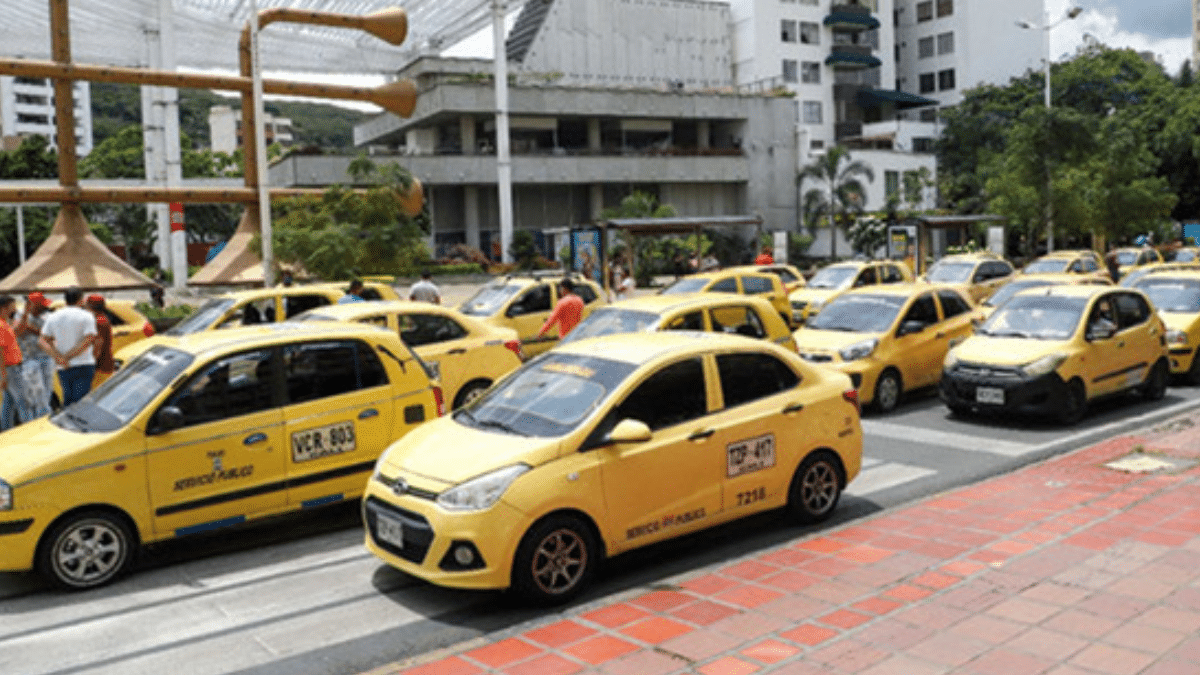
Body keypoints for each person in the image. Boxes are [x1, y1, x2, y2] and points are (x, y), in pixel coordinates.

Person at [38, 286, 98, 407]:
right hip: (83, 363)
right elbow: (89, 339)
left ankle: (65, 425)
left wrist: (59, 358)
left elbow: (42, 341)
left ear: (65, 300)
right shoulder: (87, 316)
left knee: (68, 399)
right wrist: (67, 357)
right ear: (81, 300)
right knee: (80, 402)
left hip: (63, 367)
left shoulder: (53, 317)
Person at [13, 292, 53, 419]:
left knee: (47, 393)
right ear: (33, 305)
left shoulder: (47, 316)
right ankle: (41, 420)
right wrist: (37, 331)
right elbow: (17, 331)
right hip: (29, 359)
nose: (45, 307)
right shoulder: (20, 315)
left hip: (46, 357)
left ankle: (42, 419)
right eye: (41, 305)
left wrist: (32, 329)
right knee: (37, 394)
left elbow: (51, 336)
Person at [0, 295, 30, 431]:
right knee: (23, 401)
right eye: (12, 306)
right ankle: (29, 431)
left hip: (10, 368)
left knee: (9, 403)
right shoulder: (1, 325)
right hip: (10, 368)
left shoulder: (4, 323)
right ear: (4, 308)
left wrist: (26, 314)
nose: (15, 308)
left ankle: (5, 431)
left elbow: (17, 332)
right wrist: (3, 374)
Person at [87, 294, 115, 387]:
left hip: (101, 369)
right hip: (104, 367)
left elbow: (98, 346)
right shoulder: (102, 318)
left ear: (90, 306)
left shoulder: (98, 322)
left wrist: (90, 366)